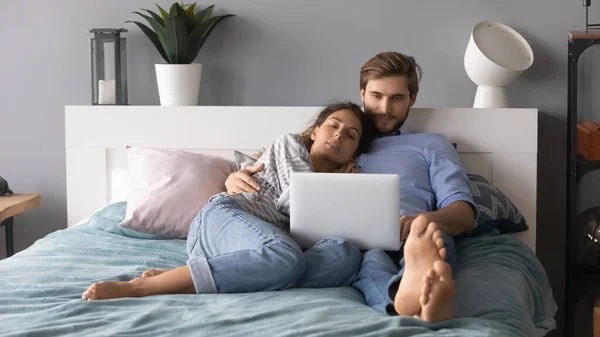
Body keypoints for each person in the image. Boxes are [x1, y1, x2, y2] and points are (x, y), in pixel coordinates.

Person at [224, 52, 478, 322]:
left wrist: (422, 221)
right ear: (362, 93)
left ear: (412, 99)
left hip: (411, 232)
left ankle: (419, 282)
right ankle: (408, 301)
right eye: (376, 96)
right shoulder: (337, 139)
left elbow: (464, 214)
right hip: (349, 243)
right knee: (369, 261)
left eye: (397, 98)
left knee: (432, 241)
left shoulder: (431, 144)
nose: (384, 108)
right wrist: (233, 179)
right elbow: (278, 172)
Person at [81, 101, 376, 301]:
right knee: (286, 257)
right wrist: (339, 187)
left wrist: (344, 192)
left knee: (346, 256)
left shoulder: (340, 187)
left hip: (270, 248)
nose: (339, 135)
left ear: (353, 154)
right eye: (333, 126)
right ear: (315, 131)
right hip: (226, 219)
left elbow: (320, 232)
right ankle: (143, 287)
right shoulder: (289, 145)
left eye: (350, 135)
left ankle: (194, 274)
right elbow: (297, 202)